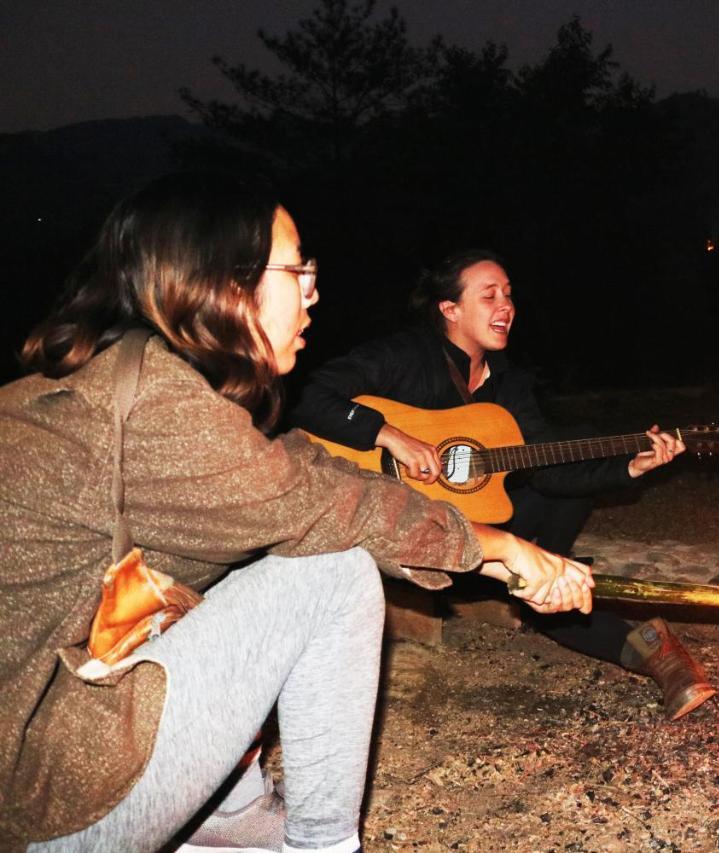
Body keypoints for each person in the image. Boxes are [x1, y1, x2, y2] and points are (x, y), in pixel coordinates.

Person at [0, 173, 593, 853]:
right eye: (295, 267)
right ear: (224, 283)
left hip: (39, 743)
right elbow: (328, 505)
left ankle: (221, 818)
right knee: (334, 573)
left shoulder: (131, 381)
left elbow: (305, 467)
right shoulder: (158, 414)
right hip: (31, 797)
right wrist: (502, 549)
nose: (313, 288)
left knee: (255, 558)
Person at [290, 250, 717, 721]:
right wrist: (389, 434)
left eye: (509, 296)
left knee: (567, 480)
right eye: (489, 295)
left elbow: (549, 468)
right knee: (534, 553)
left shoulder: (509, 384)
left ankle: (562, 599)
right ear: (449, 310)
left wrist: (631, 468)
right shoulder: (403, 355)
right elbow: (311, 395)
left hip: (478, 544)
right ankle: (543, 593)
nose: (506, 306)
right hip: (401, 535)